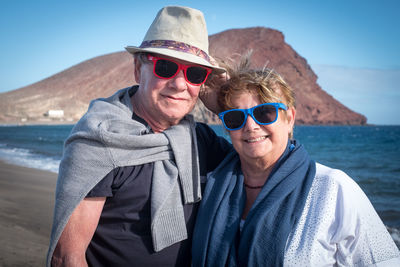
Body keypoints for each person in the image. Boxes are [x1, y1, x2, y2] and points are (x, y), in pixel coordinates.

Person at [47, 6, 232, 267]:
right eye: (166, 67)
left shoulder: (200, 140)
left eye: (195, 73)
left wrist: (228, 107)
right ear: (138, 69)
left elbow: (262, 164)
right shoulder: (101, 139)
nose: (180, 84)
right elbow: (67, 257)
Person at [192, 58, 400, 266]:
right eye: (236, 117)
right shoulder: (211, 182)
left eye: (265, 113)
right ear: (227, 126)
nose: (250, 125)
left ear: (289, 118)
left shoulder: (333, 189)